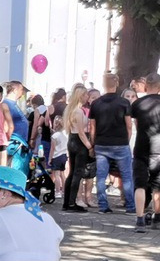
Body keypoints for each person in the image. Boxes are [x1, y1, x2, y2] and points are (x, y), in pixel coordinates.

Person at [88, 72, 135, 215]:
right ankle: (130, 206)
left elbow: (92, 127)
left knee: (101, 176)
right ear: (117, 83)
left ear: (104, 84)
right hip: (120, 143)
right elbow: (129, 126)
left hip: (102, 143)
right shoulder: (124, 103)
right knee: (126, 176)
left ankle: (103, 206)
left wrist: (93, 144)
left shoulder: (96, 103)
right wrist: (126, 140)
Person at [131, 72, 160, 231]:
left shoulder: (137, 104)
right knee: (157, 186)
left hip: (141, 147)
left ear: (146, 86)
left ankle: (140, 220)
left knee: (140, 185)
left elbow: (136, 124)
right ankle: (157, 218)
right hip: (158, 148)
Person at [63, 85, 92, 211]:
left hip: (72, 140)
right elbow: (81, 132)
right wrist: (89, 146)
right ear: (80, 96)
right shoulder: (78, 111)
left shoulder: (71, 110)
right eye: (85, 95)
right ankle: (71, 203)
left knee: (72, 173)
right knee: (77, 173)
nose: (87, 97)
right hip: (79, 142)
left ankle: (67, 202)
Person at [49, 117, 69, 202]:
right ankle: (64, 190)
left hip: (56, 156)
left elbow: (52, 148)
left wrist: (50, 158)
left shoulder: (54, 136)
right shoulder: (65, 135)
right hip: (64, 155)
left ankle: (57, 191)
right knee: (62, 174)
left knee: (56, 174)